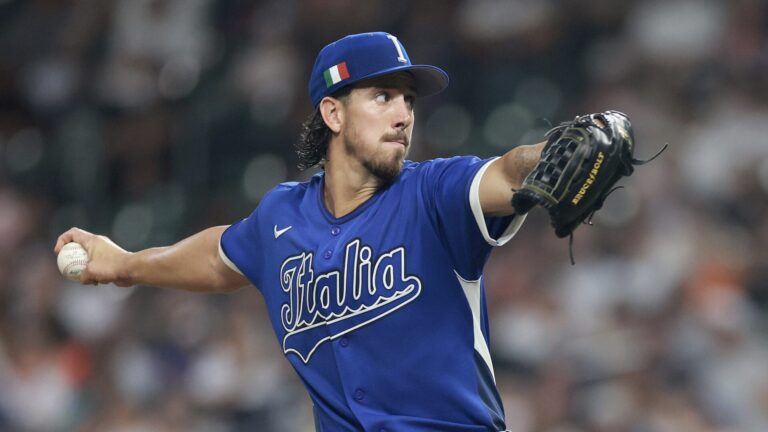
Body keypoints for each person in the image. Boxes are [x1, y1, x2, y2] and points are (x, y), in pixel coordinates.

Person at [55, 32, 550, 431]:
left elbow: (507, 173)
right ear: (333, 113)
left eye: (408, 100)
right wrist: (124, 264)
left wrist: (555, 154)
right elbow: (217, 257)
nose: (403, 115)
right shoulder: (281, 216)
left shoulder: (434, 192)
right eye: (382, 96)